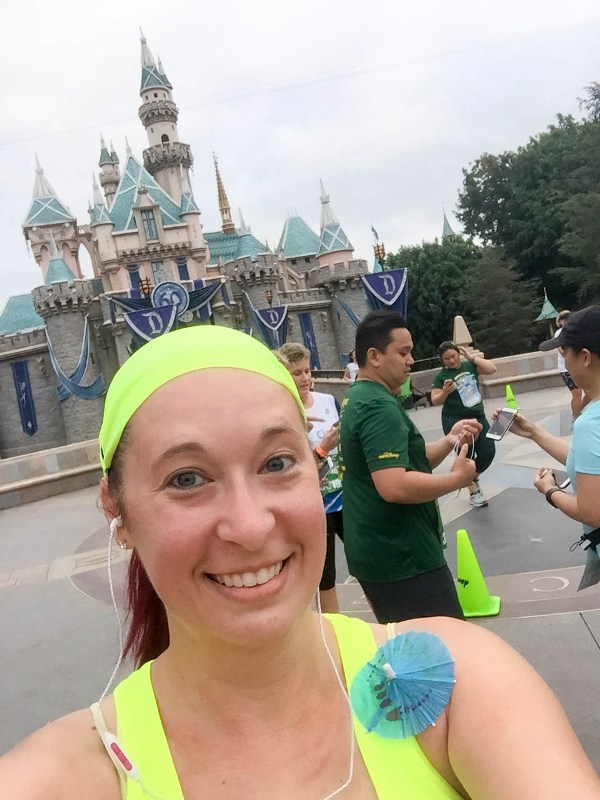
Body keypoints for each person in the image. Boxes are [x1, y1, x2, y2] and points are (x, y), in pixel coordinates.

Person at [2, 324, 600, 800]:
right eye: (187, 478)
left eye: (277, 463)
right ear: (117, 509)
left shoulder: (458, 684)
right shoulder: (63, 779)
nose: (250, 526)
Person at [339, 310, 482, 624]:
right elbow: (394, 485)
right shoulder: (377, 406)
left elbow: (403, 461)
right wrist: (458, 478)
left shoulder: (360, 396)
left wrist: (449, 440)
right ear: (374, 356)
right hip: (402, 556)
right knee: (445, 641)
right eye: (403, 352)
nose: (411, 360)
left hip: (382, 552)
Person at [508, 306, 600, 585]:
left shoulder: (590, 423)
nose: (564, 364)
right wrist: (534, 432)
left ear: (585, 357)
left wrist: (550, 491)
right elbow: (587, 462)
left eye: (565, 353)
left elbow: (591, 511)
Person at [277, 342, 343, 613]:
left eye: (307, 371)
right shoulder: (283, 413)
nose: (305, 378)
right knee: (325, 576)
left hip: (345, 495)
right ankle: (332, 625)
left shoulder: (328, 401)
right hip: (316, 503)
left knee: (369, 561)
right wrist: (322, 448)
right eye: (297, 373)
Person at [431, 341, 498, 507]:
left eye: (453, 356)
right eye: (447, 359)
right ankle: (474, 492)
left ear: (459, 354)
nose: (451, 361)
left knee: (488, 451)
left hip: (477, 415)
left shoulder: (469, 365)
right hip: (455, 419)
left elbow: (492, 369)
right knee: (465, 454)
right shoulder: (441, 376)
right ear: (442, 360)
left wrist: (471, 357)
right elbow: (435, 399)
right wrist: (445, 392)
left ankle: (468, 477)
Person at [554, 310, 585, 419]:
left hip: (577, 365)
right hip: (566, 368)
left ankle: (581, 412)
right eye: (564, 319)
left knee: (589, 392)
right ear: (560, 321)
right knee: (577, 393)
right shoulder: (559, 333)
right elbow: (562, 352)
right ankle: (576, 418)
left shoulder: (574, 331)